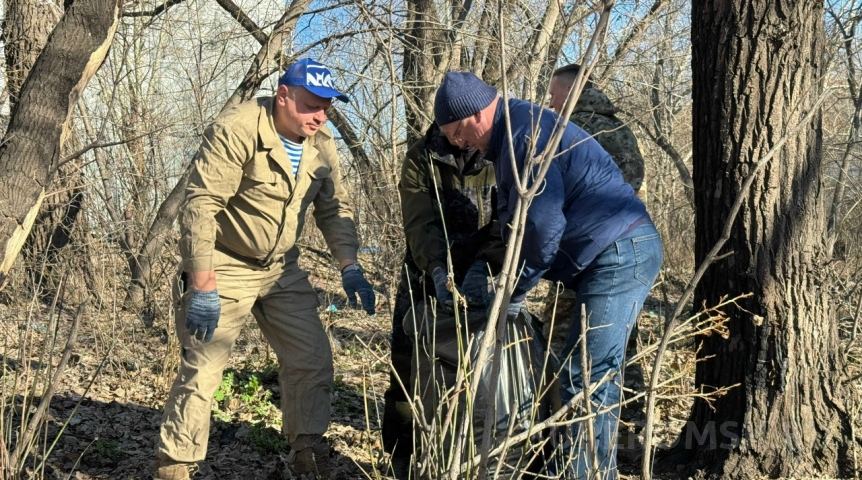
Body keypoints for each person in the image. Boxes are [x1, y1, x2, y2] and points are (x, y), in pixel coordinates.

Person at [433, 71, 662, 479]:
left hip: (619, 251)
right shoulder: (513, 133)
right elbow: (514, 225)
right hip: (604, 255)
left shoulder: (524, 136)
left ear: (472, 115)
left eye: (454, 133)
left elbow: (541, 228)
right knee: (583, 376)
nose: (458, 144)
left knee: (589, 381)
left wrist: (516, 291)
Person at [154, 58, 375, 480]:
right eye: (312, 105)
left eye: (328, 107)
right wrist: (202, 283)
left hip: (282, 267)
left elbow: (334, 209)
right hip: (224, 259)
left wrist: (349, 266)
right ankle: (175, 467)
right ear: (283, 96)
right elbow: (200, 206)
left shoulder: (322, 143)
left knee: (311, 358)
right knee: (204, 364)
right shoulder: (237, 128)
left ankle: (307, 455)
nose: (321, 116)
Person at [382, 123, 504, 478]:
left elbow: (508, 218)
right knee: (408, 369)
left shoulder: (501, 153)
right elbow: (419, 221)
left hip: (486, 275)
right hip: (424, 272)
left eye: (463, 130)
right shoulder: (422, 155)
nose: (458, 139)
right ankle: (402, 461)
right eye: (449, 130)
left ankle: (468, 455)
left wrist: (485, 265)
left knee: (481, 369)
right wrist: (437, 269)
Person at [546, 64, 649, 447]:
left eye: (554, 96)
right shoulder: (622, 130)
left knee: (562, 339)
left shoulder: (572, 132)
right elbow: (635, 181)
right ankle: (630, 428)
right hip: (628, 246)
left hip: (585, 252)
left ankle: (564, 431)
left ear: (571, 93)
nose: (551, 104)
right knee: (622, 341)